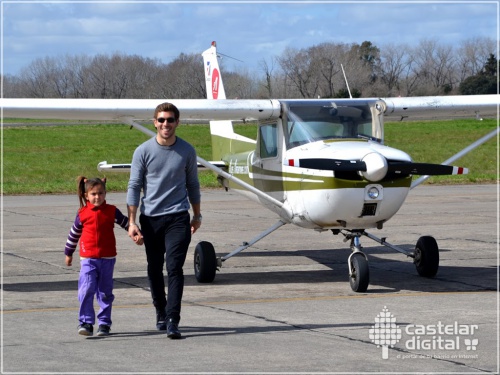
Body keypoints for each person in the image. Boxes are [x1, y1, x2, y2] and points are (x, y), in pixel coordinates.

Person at [127, 102, 201, 339]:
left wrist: (197, 214)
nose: (165, 124)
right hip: (150, 219)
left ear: (177, 122)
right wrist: (131, 221)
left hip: (178, 217)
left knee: (175, 267)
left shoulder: (187, 151)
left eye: (170, 120)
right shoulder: (143, 151)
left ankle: (172, 319)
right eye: (161, 120)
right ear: (154, 122)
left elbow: (193, 184)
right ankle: (160, 310)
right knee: (154, 268)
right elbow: (134, 186)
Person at [65, 177, 142, 337]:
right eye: (93, 194)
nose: (97, 197)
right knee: (86, 289)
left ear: (105, 193)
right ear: (87, 195)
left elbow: (126, 223)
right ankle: (85, 322)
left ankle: (104, 323)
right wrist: (69, 252)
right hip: (88, 259)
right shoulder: (82, 214)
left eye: (100, 193)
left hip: (107, 259)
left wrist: (136, 234)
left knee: (105, 292)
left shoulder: (111, 211)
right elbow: (74, 234)